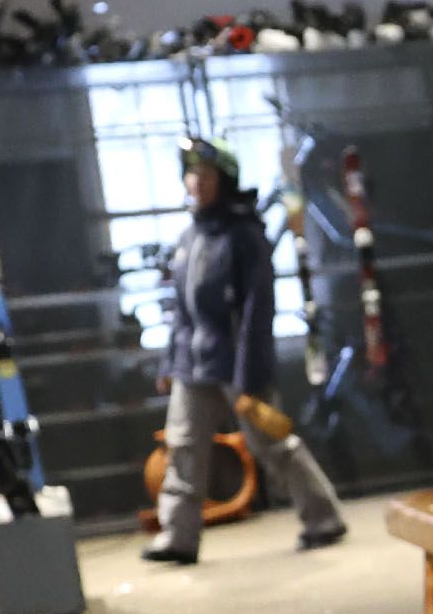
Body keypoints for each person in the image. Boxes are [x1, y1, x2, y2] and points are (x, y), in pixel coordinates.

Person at [144, 137, 346, 564]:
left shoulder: (245, 236)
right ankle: (178, 537)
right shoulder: (188, 237)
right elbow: (182, 311)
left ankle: (323, 517)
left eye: (207, 175)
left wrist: (249, 377)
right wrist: (169, 362)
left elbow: (257, 313)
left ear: (226, 180)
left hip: (239, 369)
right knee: (182, 448)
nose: (197, 183)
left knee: (272, 441)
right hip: (192, 368)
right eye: (192, 173)